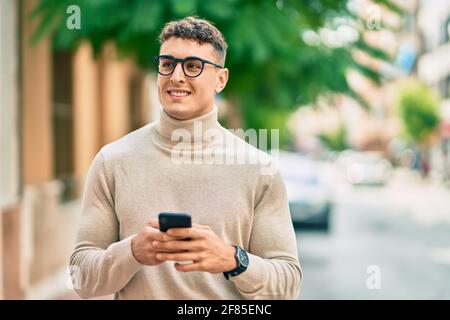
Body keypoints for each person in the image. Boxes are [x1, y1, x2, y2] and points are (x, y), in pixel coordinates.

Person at [70, 16, 302, 300]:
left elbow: (288, 284)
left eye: (193, 66)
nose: (176, 76)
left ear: (221, 79)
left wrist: (233, 260)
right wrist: (132, 252)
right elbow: (81, 278)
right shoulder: (112, 161)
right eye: (167, 64)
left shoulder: (259, 169)